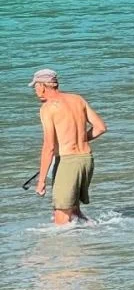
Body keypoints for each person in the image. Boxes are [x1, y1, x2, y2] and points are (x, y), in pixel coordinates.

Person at [32, 69, 108, 225]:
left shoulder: (47, 108)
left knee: (61, 216)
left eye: (35, 86)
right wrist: (78, 139)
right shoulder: (77, 99)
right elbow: (100, 127)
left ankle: (65, 248)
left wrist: (41, 181)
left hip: (68, 162)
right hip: (86, 160)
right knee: (74, 211)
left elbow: (49, 147)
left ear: (42, 86)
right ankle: (95, 235)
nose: (35, 90)